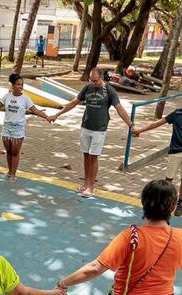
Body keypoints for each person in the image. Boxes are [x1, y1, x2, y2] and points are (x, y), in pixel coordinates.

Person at [50, 68, 135, 198]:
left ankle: (91, 186)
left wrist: (131, 125)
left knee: (93, 157)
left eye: (95, 80)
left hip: (99, 129)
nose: (93, 83)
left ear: (101, 77)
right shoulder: (87, 88)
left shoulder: (109, 91)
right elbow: (74, 102)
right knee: (86, 156)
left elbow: (120, 109)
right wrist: (57, 114)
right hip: (86, 126)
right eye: (91, 80)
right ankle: (86, 183)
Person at [0, 73, 52, 182]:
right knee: (8, 151)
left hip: (18, 128)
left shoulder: (26, 99)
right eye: (18, 84)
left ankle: (13, 174)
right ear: (12, 86)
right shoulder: (7, 96)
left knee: (15, 152)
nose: (20, 87)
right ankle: (9, 171)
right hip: (7, 127)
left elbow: (35, 110)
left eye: (22, 84)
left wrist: (47, 117)